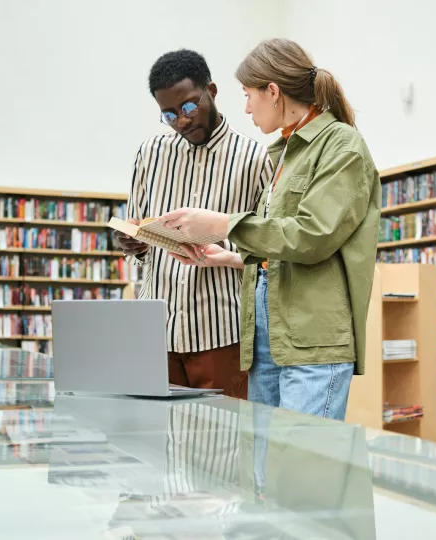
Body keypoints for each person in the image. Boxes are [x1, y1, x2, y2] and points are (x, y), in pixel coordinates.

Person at [161, 39, 381, 420]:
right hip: (267, 340)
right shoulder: (282, 154)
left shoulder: (342, 145)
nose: (245, 107)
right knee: (263, 471)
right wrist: (229, 257)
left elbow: (312, 236)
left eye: (249, 95)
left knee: (301, 472)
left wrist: (221, 224)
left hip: (312, 344)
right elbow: (281, 244)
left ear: (273, 92)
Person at [115, 49, 271, 399]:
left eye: (188, 107)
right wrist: (133, 244)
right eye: (169, 115)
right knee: (160, 441)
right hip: (157, 332)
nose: (182, 121)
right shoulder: (149, 154)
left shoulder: (255, 158)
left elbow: (268, 246)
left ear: (211, 92)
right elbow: (137, 228)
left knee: (225, 444)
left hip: (223, 333)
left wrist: (222, 247)